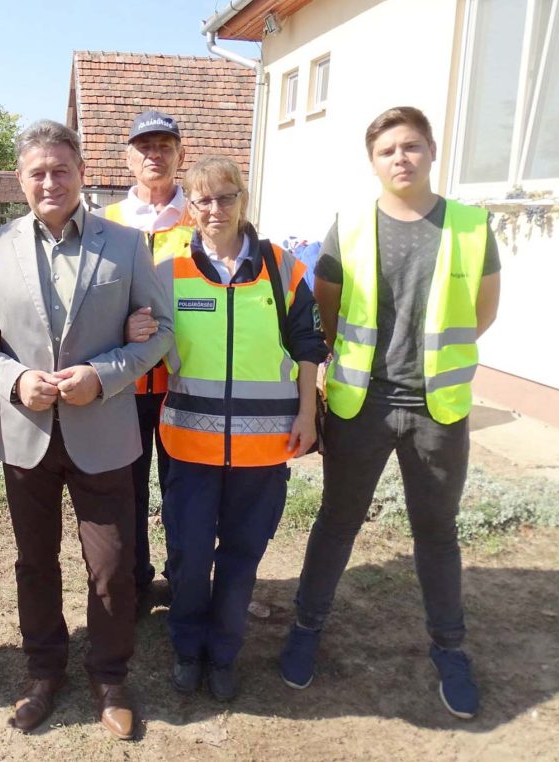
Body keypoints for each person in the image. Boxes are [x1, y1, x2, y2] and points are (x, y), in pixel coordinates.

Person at [0, 120, 174, 740]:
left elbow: (161, 332)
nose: (49, 182)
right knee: (35, 562)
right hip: (27, 432)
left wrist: (103, 376)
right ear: (20, 180)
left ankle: (110, 677)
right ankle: (43, 672)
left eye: (60, 170)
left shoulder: (125, 244)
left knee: (112, 564)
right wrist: (14, 378)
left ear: (81, 173)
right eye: (37, 172)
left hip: (104, 431)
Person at [279, 106, 501, 720]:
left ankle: (449, 649)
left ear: (432, 151)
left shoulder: (471, 226)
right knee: (337, 522)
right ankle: (306, 628)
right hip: (362, 404)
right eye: (387, 150)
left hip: (438, 408)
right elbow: (328, 313)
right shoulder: (349, 226)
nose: (401, 158)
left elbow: (481, 312)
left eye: (411, 146)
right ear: (373, 162)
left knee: (437, 532)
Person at [154, 156, 327, 701]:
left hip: (262, 451)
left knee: (241, 558)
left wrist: (307, 416)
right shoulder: (167, 271)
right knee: (189, 557)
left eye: (226, 197)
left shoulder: (283, 268)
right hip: (189, 448)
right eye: (203, 199)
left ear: (243, 200)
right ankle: (187, 649)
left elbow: (308, 348)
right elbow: (142, 339)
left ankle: (224, 654)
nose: (215, 209)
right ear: (189, 206)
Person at [95, 110, 194, 607]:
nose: (154, 155)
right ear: (127, 158)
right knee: (125, 490)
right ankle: (133, 583)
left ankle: (184, 581)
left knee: (184, 489)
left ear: (181, 155)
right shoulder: (102, 223)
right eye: (144, 147)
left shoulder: (203, 217)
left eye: (164, 146)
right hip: (124, 384)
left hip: (184, 381)